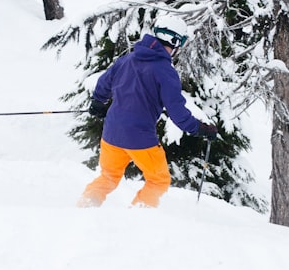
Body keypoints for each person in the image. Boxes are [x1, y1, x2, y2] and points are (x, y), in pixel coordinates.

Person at [78, 16, 218, 209]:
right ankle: (138, 216)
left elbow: (104, 82)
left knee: (108, 177)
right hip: (140, 139)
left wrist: (98, 102)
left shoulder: (127, 59)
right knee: (158, 180)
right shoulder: (165, 71)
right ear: (175, 42)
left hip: (111, 134)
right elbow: (176, 111)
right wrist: (199, 129)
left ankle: (85, 206)